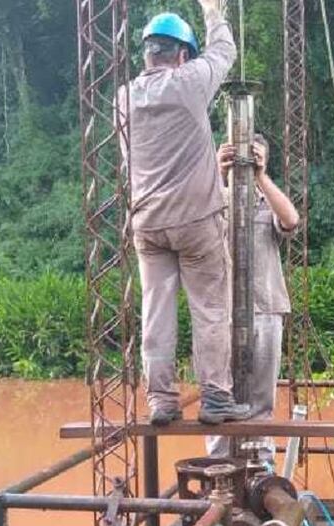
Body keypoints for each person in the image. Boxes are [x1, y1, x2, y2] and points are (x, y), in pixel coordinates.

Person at [122, 1, 251, 426]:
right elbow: (224, 51)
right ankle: (215, 397)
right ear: (181, 55)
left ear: (147, 53)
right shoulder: (190, 81)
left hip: (147, 222)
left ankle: (161, 400)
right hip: (196, 220)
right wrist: (213, 11)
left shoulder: (124, 97)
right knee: (209, 309)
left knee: (156, 312)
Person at [206, 133, 299, 458]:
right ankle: (219, 468)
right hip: (219, 314)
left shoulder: (266, 200)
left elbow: (291, 220)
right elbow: (191, 221)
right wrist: (216, 171)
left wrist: (261, 175)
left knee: (261, 399)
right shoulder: (215, 199)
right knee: (219, 397)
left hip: (266, 308)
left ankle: (261, 468)